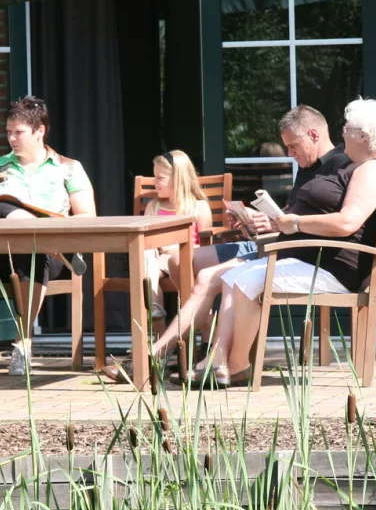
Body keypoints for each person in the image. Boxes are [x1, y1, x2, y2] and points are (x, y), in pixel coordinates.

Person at [196, 98, 376, 389]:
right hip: (321, 261)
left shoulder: (373, 170)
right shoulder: (362, 167)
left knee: (245, 280)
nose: (342, 133)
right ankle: (223, 361)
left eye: (348, 128)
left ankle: (238, 365)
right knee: (235, 276)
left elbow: (346, 223)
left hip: (338, 270)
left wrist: (296, 223)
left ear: (364, 135)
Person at [150, 104, 350, 370]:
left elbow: (311, 224)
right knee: (178, 260)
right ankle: (204, 333)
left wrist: (277, 224)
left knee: (207, 277)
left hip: (281, 250)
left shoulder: (338, 169)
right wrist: (251, 222)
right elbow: (288, 219)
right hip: (261, 242)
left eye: (293, 146)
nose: (290, 154)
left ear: (314, 135)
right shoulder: (306, 168)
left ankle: (162, 354)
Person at [0, 96, 95, 376]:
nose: (12, 138)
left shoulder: (68, 168)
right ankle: (49, 243)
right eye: (8, 132)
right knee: (2, 204)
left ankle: (21, 346)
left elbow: (87, 216)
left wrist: (41, 228)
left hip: (43, 259)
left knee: (32, 253)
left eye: (19, 132)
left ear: (40, 131)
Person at [141, 149, 214, 317]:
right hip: (159, 260)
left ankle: (204, 333)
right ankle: (154, 307)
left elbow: (205, 245)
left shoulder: (198, 207)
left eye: (160, 177)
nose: (154, 182)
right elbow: (145, 239)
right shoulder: (154, 206)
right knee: (144, 255)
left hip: (187, 258)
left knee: (147, 261)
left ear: (177, 178)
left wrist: (175, 247)